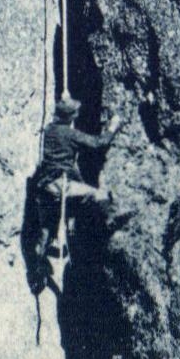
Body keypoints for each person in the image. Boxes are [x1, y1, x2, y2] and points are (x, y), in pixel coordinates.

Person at [33, 96, 121, 258]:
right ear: (70, 117)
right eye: (75, 113)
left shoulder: (49, 130)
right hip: (61, 184)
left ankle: (38, 264)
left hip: (44, 186)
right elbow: (98, 143)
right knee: (97, 194)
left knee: (45, 229)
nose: (77, 114)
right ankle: (110, 222)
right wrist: (112, 127)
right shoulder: (70, 134)